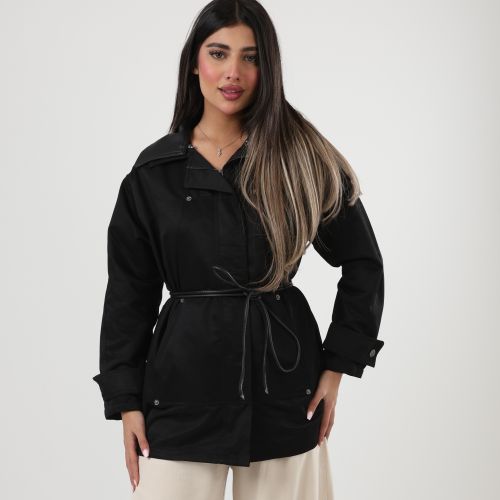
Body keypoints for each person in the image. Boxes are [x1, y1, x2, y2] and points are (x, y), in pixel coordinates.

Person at [92, 0, 385, 498]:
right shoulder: (152, 174)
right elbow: (129, 294)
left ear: (268, 68)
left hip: (284, 389)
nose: (233, 72)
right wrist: (126, 400)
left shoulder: (301, 159)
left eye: (250, 57)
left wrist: (338, 365)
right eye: (218, 53)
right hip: (180, 393)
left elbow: (363, 263)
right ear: (194, 63)